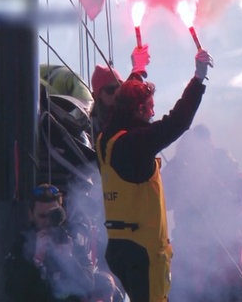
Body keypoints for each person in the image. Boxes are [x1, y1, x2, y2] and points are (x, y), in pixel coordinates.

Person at [95, 45, 214, 302]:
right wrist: (198, 79)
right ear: (138, 110)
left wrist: (138, 70)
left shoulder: (107, 138)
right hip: (142, 251)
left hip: (118, 246)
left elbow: (121, 106)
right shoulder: (133, 145)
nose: (152, 113)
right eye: (149, 107)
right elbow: (177, 122)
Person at [162, 124, 242, 302]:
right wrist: (177, 164)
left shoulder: (233, 176)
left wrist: (206, 178)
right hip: (186, 275)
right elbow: (163, 199)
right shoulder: (181, 174)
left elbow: (235, 206)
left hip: (227, 277)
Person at [4, 183, 94, 301]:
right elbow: (13, 291)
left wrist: (69, 260)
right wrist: (37, 259)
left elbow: (89, 286)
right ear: (31, 215)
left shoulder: (72, 241)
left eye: (53, 215)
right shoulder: (21, 244)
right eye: (42, 216)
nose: (48, 221)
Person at [90, 64, 123, 139]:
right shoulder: (92, 123)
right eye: (110, 90)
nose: (116, 93)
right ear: (99, 95)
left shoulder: (133, 109)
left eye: (119, 87)